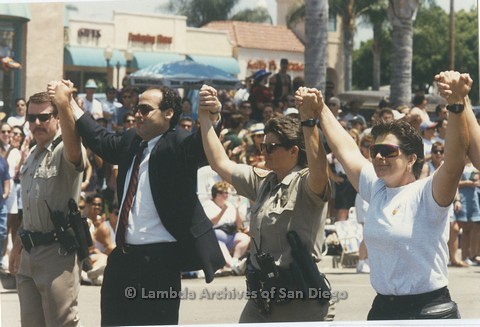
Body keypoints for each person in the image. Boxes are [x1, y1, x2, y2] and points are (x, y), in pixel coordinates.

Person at [52, 81, 225, 326]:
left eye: (145, 109)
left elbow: (203, 146)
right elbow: (100, 139)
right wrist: (70, 103)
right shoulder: (131, 140)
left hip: (160, 262)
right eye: (136, 109)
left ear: (168, 113)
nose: (137, 114)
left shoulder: (179, 143)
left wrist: (214, 115)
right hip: (122, 260)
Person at [298, 70, 468, 320]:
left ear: (411, 159)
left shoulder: (427, 193)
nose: (378, 157)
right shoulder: (377, 187)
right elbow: (346, 150)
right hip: (383, 309)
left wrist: (455, 104)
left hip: (428, 311)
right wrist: (321, 109)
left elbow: (453, 163)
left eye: (388, 151)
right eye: (375, 150)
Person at [198, 85, 333, 322]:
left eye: (272, 147)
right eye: (263, 146)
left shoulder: (306, 184)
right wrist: (205, 116)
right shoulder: (263, 181)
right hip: (262, 299)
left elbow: (319, 169)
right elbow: (219, 162)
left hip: (300, 300)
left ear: (293, 151)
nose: (265, 152)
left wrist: (308, 121)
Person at [8, 88, 86, 326]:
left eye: (44, 117)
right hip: (29, 253)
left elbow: (75, 151)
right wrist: (17, 246)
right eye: (32, 118)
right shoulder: (31, 154)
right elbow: (31, 208)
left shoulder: (65, 149)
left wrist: (65, 105)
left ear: (58, 119)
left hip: (57, 253)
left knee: (60, 323)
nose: (37, 123)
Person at [203, 181, 250, 275]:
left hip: (230, 234)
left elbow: (238, 225)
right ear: (216, 194)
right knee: (218, 242)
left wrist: (236, 209)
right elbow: (211, 223)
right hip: (215, 236)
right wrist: (223, 210)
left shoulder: (230, 205)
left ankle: (235, 261)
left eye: (227, 193)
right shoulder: (208, 204)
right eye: (223, 193)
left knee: (244, 238)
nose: (226, 195)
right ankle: (233, 265)